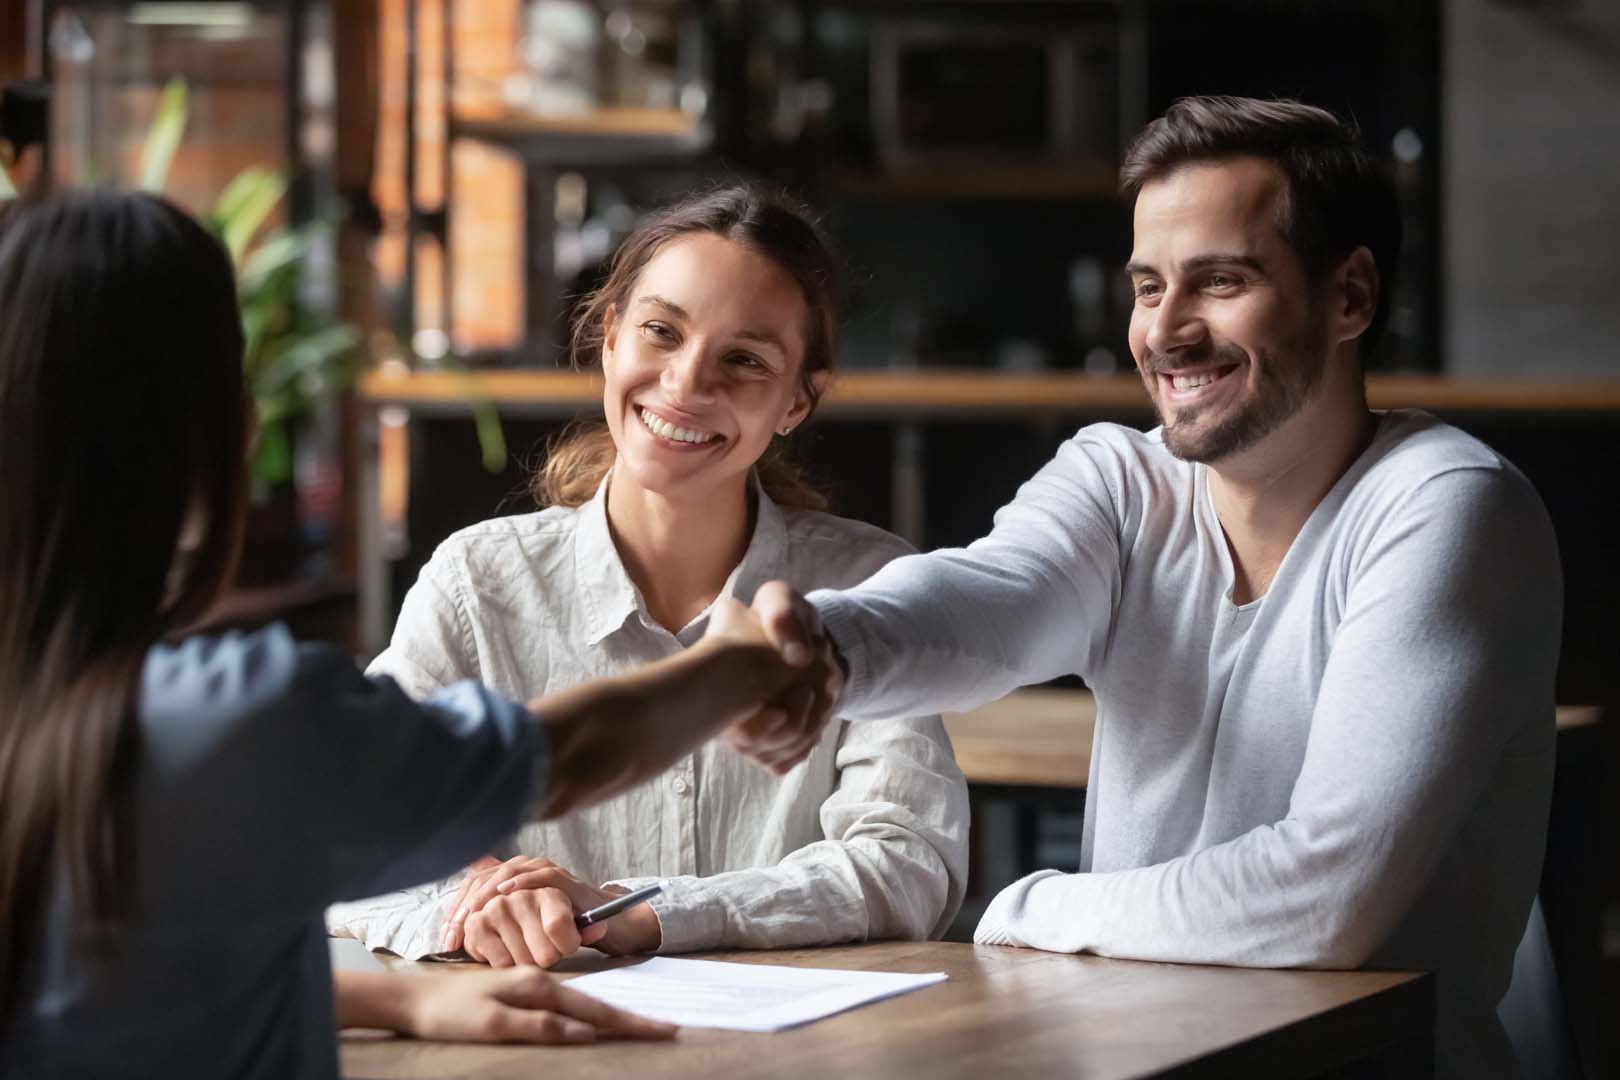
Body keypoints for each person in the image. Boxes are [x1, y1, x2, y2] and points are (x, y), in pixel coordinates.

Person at [744, 97, 1561, 1080]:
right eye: (1147, 287)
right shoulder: (1120, 480)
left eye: (1220, 282)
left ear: (1349, 297)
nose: (1167, 331)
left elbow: (1325, 899)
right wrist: (825, 650)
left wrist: (1029, 909)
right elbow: (988, 601)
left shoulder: (1447, 506)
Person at [0, 189, 834, 1078]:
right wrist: (737, 665)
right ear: (223, 435)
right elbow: (570, 750)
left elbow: (147, 973)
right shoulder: (237, 719)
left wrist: (401, 997)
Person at [327, 186, 969, 968]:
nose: (687, 384)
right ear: (609, 337)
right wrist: (476, 900)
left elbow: (909, 863)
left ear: (798, 400)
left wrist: (638, 911)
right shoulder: (477, 584)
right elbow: (348, 840)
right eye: (661, 331)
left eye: (744, 360)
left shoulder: (868, 584)